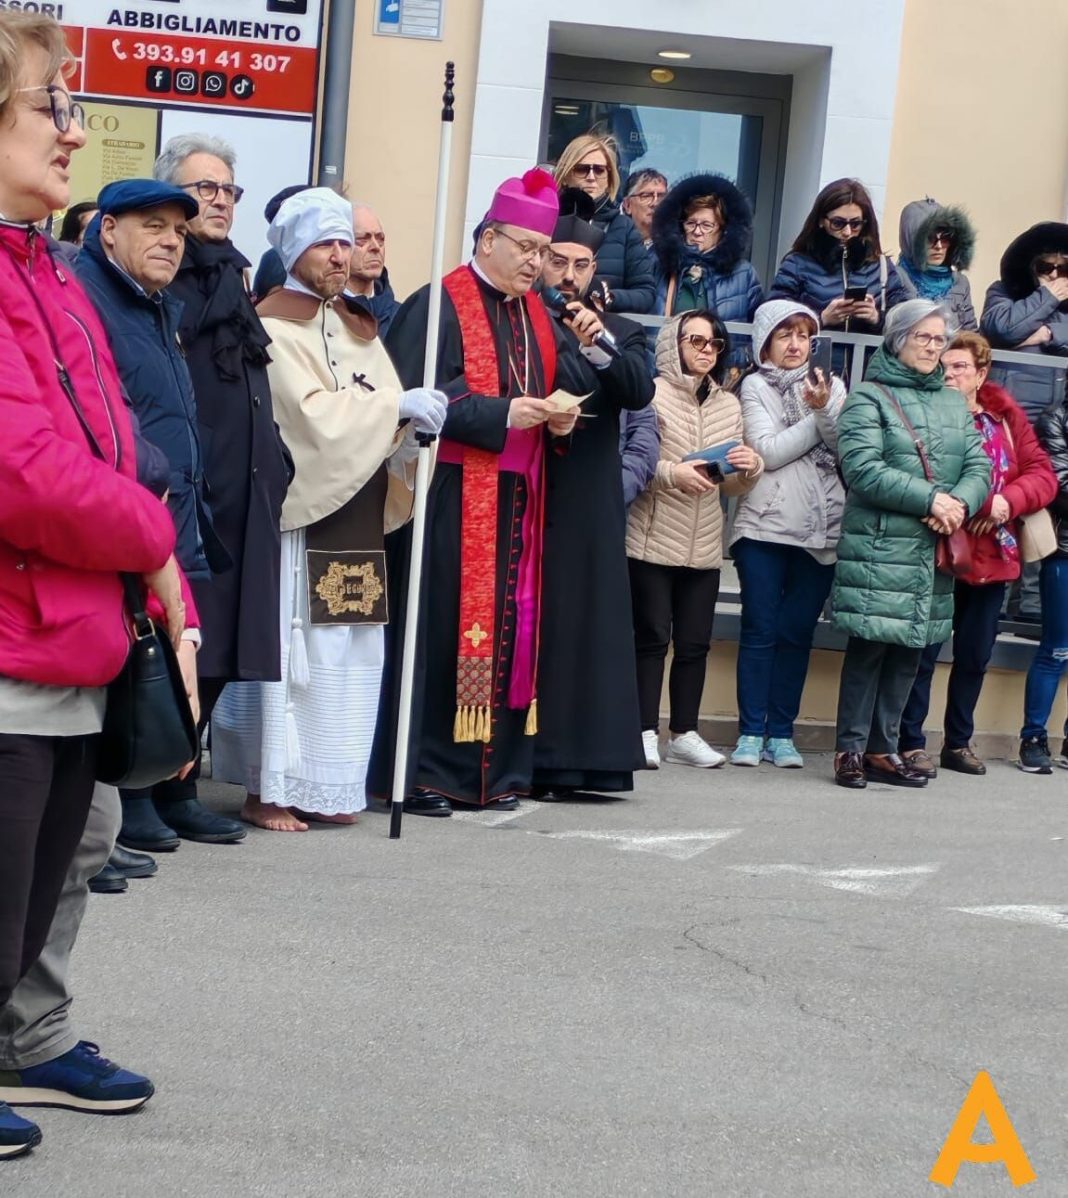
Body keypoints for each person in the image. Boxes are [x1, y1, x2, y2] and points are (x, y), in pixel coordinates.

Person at [0, 12, 183, 1158]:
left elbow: (106, 435)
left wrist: (150, 532)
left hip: (71, 626)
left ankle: (27, 1038)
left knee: (57, 858)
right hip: (16, 636)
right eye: (48, 108)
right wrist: (152, 536)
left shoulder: (44, 265)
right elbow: (23, 470)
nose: (74, 132)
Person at [210, 189, 445, 830]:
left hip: (357, 513)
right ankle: (271, 788)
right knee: (297, 652)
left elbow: (380, 401)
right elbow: (307, 417)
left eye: (346, 242)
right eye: (326, 243)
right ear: (294, 249)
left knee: (349, 651)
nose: (341, 255)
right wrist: (391, 411)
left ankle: (329, 783)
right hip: (303, 515)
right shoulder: (274, 324)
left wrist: (410, 426)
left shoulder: (355, 325)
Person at [369, 168, 588, 815]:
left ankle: (496, 772)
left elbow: (547, 391)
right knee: (442, 635)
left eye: (543, 252)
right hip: (450, 498)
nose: (535, 261)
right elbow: (412, 397)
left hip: (519, 504)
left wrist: (558, 419)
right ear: (487, 238)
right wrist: (501, 415)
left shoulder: (538, 317)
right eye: (524, 246)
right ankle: (432, 773)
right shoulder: (438, 304)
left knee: (511, 634)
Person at [75, 179, 243, 849]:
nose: (171, 240)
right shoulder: (89, 298)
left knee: (163, 653)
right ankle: (113, 813)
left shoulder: (154, 306)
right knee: (121, 659)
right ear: (108, 229)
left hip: (169, 510)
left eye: (178, 229)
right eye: (153, 225)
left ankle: (156, 793)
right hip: (121, 513)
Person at [152, 133, 294, 833]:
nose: (219, 200)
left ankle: (180, 793)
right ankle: (146, 793)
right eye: (204, 187)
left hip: (244, 493)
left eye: (227, 190)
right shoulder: (164, 275)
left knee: (220, 643)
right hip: (185, 495)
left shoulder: (232, 277)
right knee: (175, 632)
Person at [831, 300, 991, 790]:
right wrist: (932, 498)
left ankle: (883, 750)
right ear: (897, 338)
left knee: (911, 651)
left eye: (939, 338)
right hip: (881, 545)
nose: (932, 346)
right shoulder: (868, 397)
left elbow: (980, 467)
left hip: (932, 548)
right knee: (870, 649)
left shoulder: (951, 400)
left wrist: (958, 504)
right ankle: (850, 750)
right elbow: (862, 468)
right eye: (923, 336)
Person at [531, 188, 654, 800]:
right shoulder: (522, 325)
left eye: (582, 265)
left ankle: (582, 760)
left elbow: (637, 392)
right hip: (531, 486)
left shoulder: (622, 332)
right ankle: (523, 755)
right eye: (560, 261)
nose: (571, 275)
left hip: (589, 501)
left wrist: (594, 342)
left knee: (585, 626)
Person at [898, 332, 1055, 776]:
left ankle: (958, 743)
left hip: (993, 557)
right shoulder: (924, 410)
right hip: (938, 549)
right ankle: (911, 741)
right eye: (944, 366)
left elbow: (1043, 474)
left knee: (973, 656)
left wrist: (1008, 503)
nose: (950, 374)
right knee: (924, 650)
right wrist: (983, 503)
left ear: (981, 373)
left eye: (961, 367)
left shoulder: (1004, 417)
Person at [626, 311, 763, 769]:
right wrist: (671, 473)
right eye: (697, 341)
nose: (707, 350)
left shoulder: (728, 403)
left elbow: (733, 486)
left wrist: (749, 468)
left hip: (703, 543)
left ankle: (684, 732)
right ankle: (643, 729)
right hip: (651, 535)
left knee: (694, 643)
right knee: (650, 638)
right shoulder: (650, 393)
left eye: (715, 344)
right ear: (673, 344)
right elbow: (634, 461)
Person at [729, 300, 846, 768]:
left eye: (804, 335)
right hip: (764, 527)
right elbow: (768, 451)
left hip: (821, 530)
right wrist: (820, 417)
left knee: (796, 633)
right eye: (785, 335)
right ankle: (750, 732)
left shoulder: (832, 385)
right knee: (759, 629)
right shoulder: (755, 385)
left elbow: (845, 448)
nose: (796, 344)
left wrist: (823, 414)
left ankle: (782, 733)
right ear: (765, 343)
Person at [769, 178, 908, 340]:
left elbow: (905, 321)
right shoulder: (797, 264)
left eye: (855, 224)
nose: (847, 231)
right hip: (814, 361)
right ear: (821, 220)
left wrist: (876, 318)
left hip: (865, 362)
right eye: (838, 223)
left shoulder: (882, 266)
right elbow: (775, 319)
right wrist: (822, 318)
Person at [1016, 388, 1068, 773]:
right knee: (1056, 650)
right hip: (1065, 551)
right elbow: (1060, 488)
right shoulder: (1055, 418)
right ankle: (1033, 739)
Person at [552, 133, 656, 314]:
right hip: (548, 325)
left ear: (609, 178)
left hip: (601, 330)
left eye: (599, 170)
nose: (591, 177)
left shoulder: (623, 227)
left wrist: (609, 297)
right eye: (582, 169)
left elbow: (645, 294)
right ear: (566, 174)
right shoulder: (548, 219)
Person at [980, 222, 1068, 421]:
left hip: (1054, 419)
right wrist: (1048, 296)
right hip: (1007, 411)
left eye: (1064, 269)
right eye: (1046, 267)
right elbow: (1003, 330)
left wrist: (1047, 333)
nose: (1055, 275)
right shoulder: (1004, 291)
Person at [650, 172, 763, 325]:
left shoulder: (744, 274)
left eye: (706, 225)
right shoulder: (656, 266)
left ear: (722, 229)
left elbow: (756, 333)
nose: (697, 231)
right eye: (691, 223)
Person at [896, 197, 977, 330]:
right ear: (912, 240)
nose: (939, 246)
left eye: (945, 238)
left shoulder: (960, 282)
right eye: (930, 238)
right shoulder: (896, 277)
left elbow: (971, 331)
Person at [344, 203, 400, 336]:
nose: (375, 247)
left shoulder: (402, 318)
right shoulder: (325, 313)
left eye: (380, 239)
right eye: (363, 239)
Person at [620, 167, 667, 248]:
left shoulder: (677, 246)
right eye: (646, 196)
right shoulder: (609, 238)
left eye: (661, 196)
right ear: (627, 205)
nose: (655, 203)